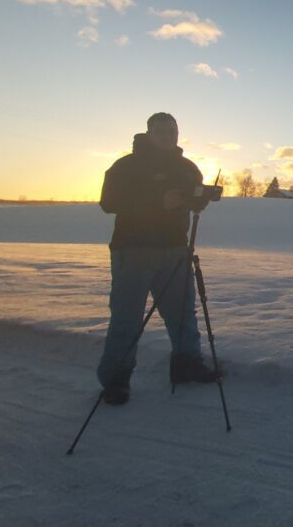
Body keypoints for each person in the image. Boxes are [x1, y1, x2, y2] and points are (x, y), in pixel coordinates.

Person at [96, 112, 220, 405]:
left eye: (171, 131)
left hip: (175, 249)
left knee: (182, 312)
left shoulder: (187, 167)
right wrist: (156, 201)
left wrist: (199, 199)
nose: (167, 136)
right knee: (127, 317)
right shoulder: (126, 166)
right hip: (134, 250)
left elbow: (191, 197)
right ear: (148, 133)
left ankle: (186, 364)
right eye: (160, 131)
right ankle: (116, 379)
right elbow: (108, 202)